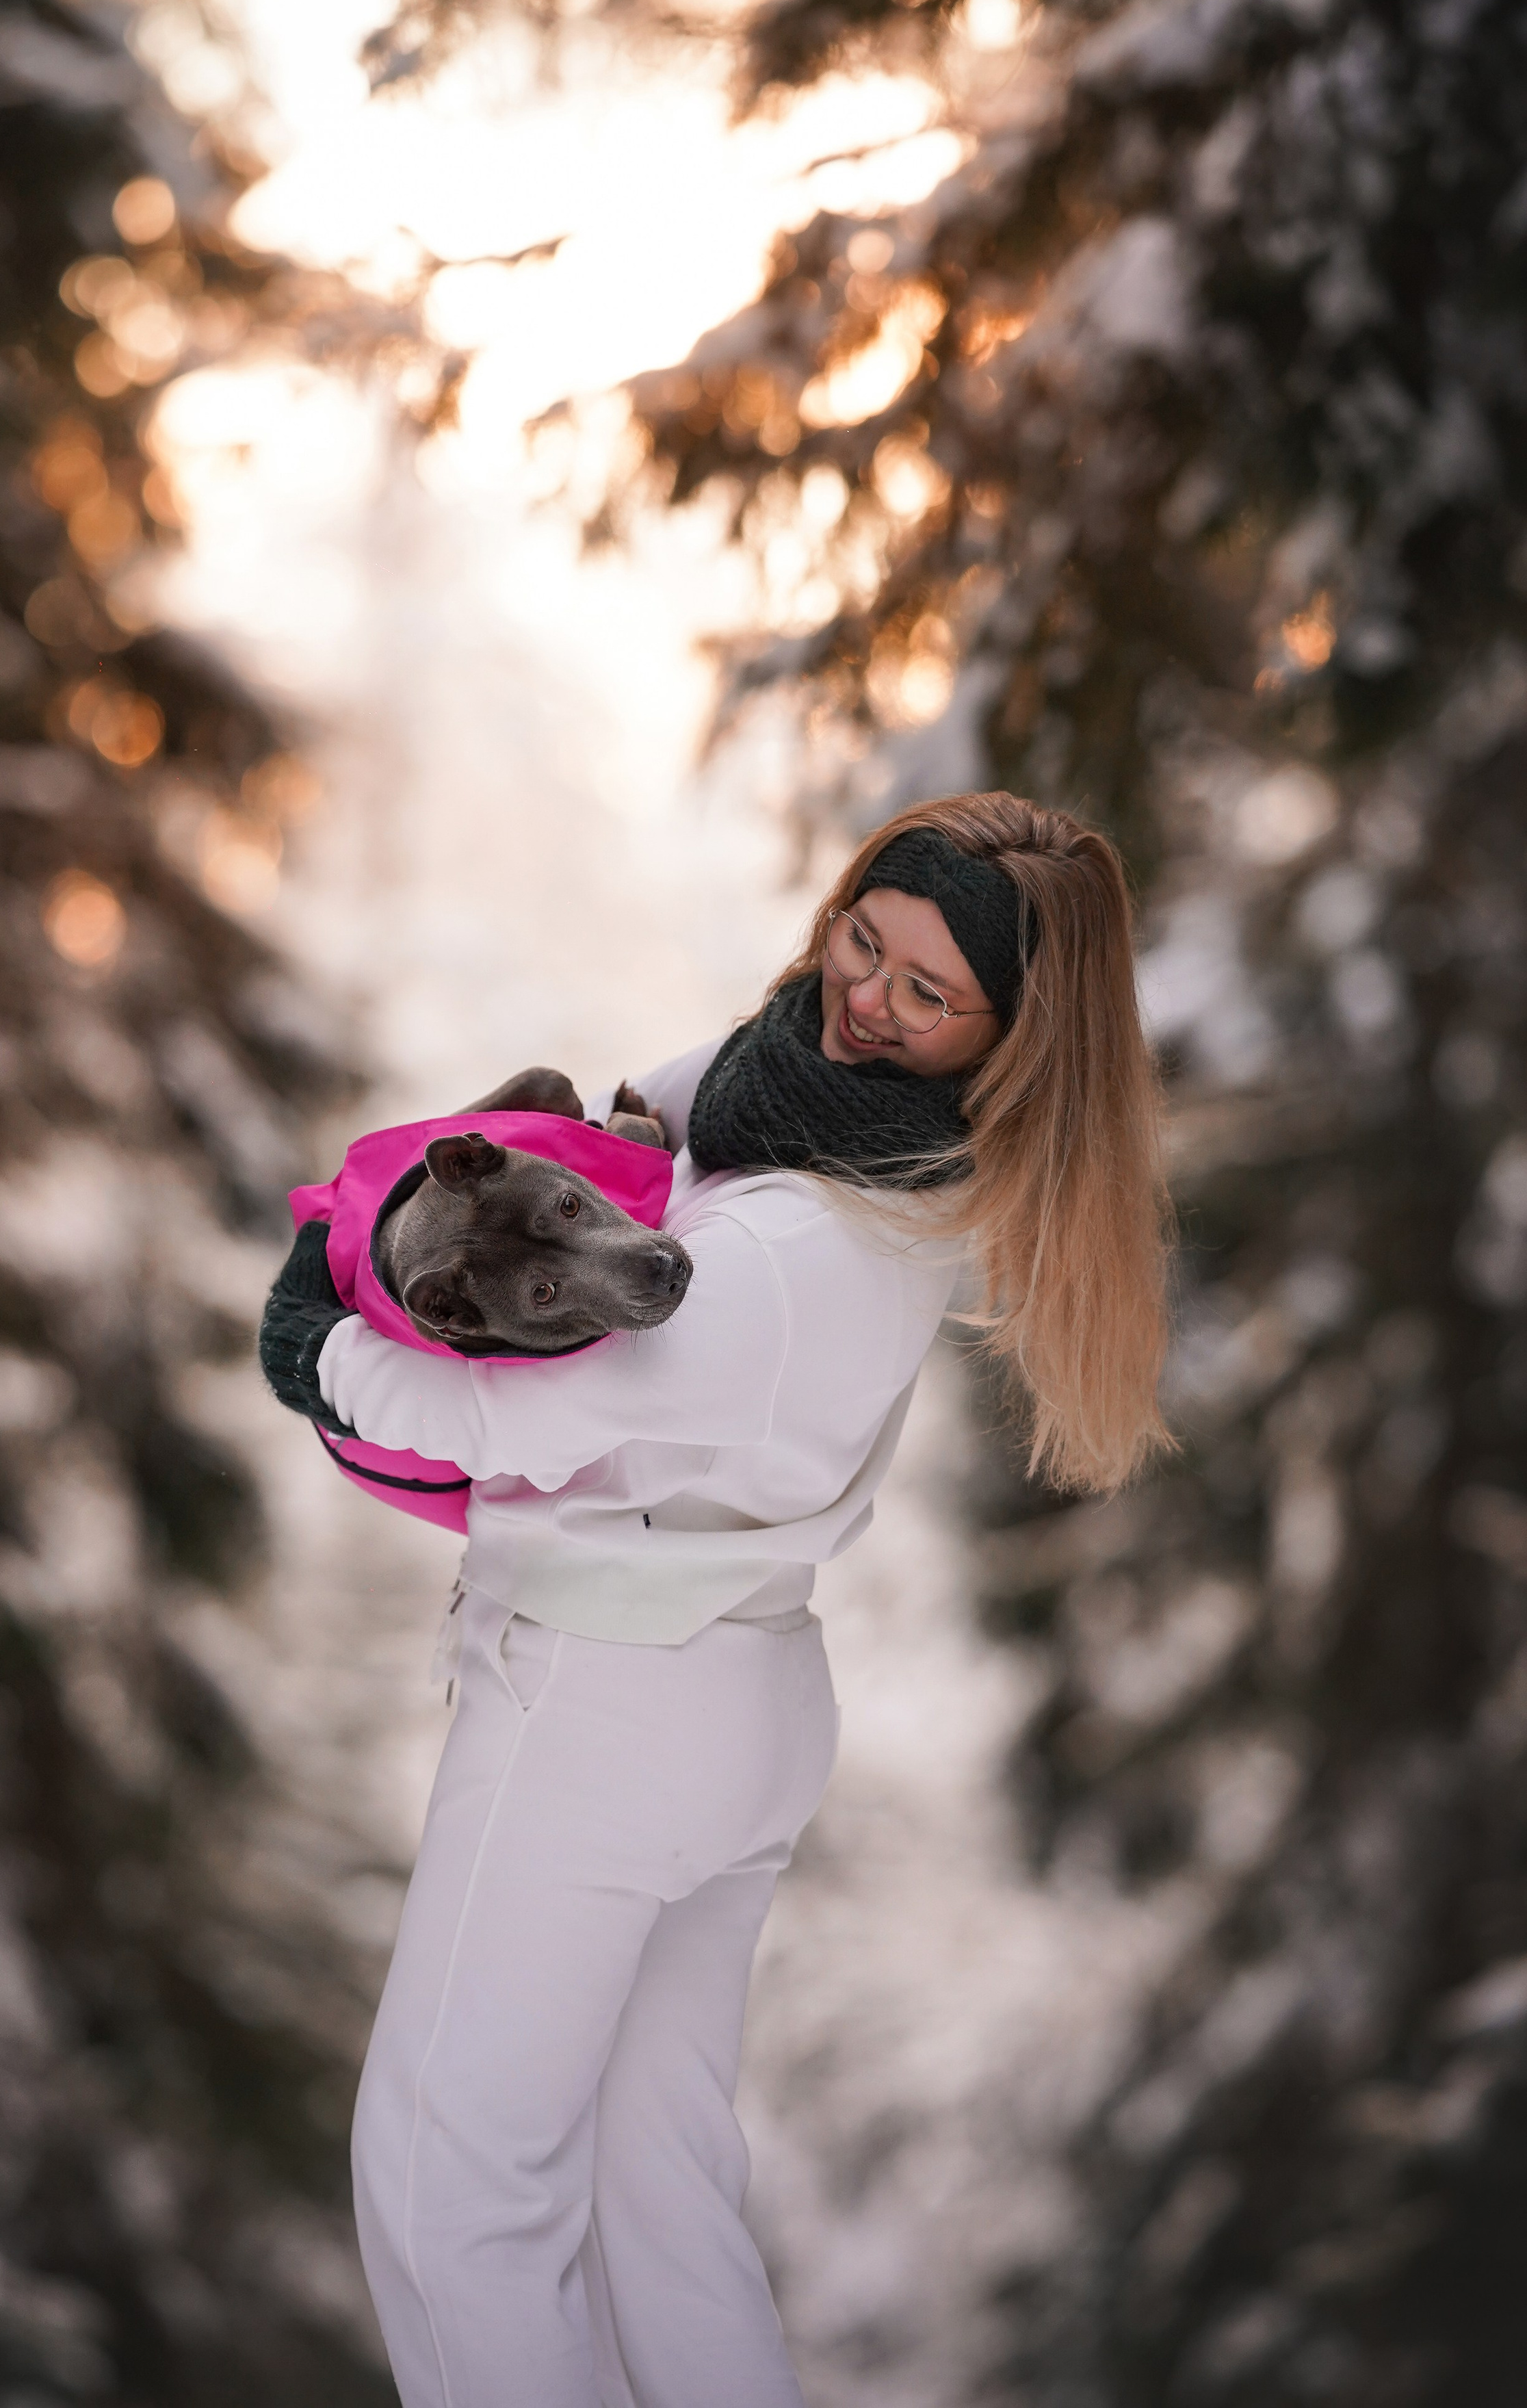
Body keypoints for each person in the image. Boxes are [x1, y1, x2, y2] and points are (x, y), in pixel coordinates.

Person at [261, 790, 1173, 2408]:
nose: (863, 996)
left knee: (446, 2180)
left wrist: (313, 1346)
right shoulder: (851, 1148)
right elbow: (663, 1111)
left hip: (604, 1713)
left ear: (999, 1044)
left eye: (924, 993)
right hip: (732, 1702)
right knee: (652, 2199)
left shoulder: (780, 1253)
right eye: (862, 939)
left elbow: (503, 1427)